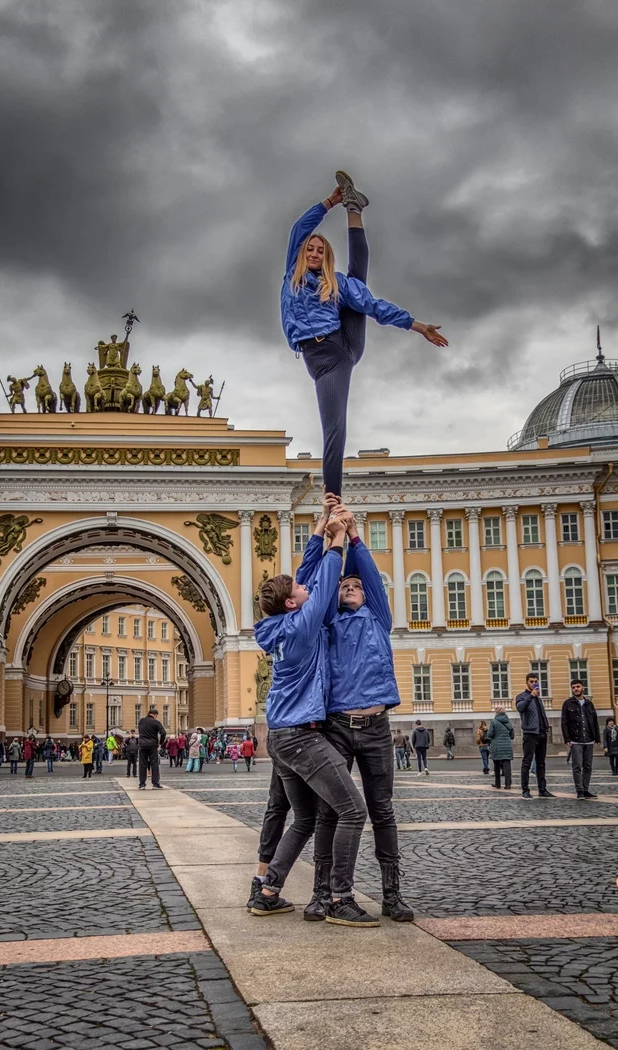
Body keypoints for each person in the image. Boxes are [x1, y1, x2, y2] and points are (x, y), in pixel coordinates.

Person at [281, 171, 448, 497]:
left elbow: (375, 307)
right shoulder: (292, 274)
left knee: (333, 427)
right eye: (311, 249)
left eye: (320, 251)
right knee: (358, 280)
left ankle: (333, 499)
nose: (314, 253)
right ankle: (353, 207)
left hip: (338, 352)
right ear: (303, 253)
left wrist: (416, 326)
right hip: (313, 355)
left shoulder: (336, 283)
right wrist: (331, 201)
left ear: (326, 258)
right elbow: (299, 229)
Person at [253, 510, 378, 927]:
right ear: (292, 603)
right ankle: (341, 897)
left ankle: (267, 891)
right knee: (353, 812)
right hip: (303, 738)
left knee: (305, 818)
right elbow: (321, 584)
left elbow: (305, 579)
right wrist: (337, 541)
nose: (304, 586)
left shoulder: (279, 623)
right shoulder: (305, 624)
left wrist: (319, 529)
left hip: (280, 738)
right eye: (298, 590)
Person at [306, 506, 414, 923]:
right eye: (344, 584)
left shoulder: (378, 617)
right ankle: (323, 894)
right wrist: (328, 534)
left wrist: (353, 534)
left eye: (356, 585)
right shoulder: (329, 621)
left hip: (375, 728)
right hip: (336, 727)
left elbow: (368, 574)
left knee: (382, 809)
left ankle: (392, 895)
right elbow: (319, 580)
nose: (351, 586)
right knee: (329, 811)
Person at [515, 672, 554, 800]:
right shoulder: (521, 696)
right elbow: (521, 708)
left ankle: (542, 789)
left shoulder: (538, 698)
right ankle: (525, 790)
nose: (534, 683)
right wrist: (531, 696)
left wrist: (546, 727)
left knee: (541, 763)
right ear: (526, 682)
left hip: (542, 733)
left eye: (536, 681)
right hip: (530, 733)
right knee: (527, 762)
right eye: (531, 681)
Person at [561, 679, 600, 800]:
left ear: (583, 687)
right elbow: (564, 722)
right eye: (573, 687)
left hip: (589, 739)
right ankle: (580, 791)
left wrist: (597, 737)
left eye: (578, 687)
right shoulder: (567, 703)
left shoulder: (589, 704)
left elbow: (594, 721)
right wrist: (567, 738)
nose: (576, 689)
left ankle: (586, 789)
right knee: (577, 766)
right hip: (575, 740)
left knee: (588, 766)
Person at [138, 706, 166, 790]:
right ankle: (155, 783)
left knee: (142, 764)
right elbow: (163, 733)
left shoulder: (141, 721)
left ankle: (142, 784)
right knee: (154, 764)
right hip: (153, 745)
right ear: (155, 715)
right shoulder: (156, 722)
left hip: (142, 744)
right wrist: (160, 743)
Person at [487, 706, 515, 789]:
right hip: (507, 746)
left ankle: (498, 784)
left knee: (496, 765)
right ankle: (508, 784)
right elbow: (512, 736)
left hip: (497, 745)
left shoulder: (494, 721)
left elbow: (490, 734)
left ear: (496, 713)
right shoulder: (508, 722)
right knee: (507, 765)